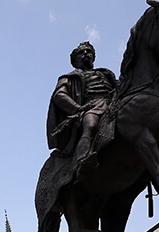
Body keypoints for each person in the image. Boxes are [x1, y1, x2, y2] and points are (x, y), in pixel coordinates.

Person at [46, 42, 118, 178]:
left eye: (88, 52)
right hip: (92, 107)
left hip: (113, 104)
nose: (86, 54)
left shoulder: (106, 73)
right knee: (90, 125)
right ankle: (82, 162)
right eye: (82, 52)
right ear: (75, 60)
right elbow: (59, 95)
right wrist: (78, 109)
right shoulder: (68, 78)